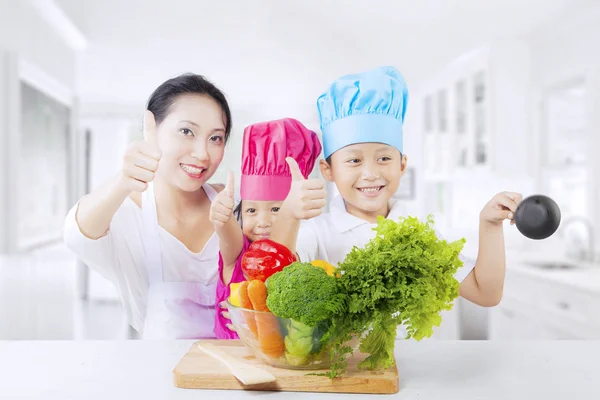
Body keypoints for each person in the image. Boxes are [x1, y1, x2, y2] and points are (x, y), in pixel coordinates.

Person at [270, 66, 523, 307]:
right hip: (334, 355)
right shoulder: (316, 233)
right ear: (328, 170)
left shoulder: (419, 234)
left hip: (405, 355)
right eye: (354, 161)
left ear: (402, 165)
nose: (370, 174)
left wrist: (489, 224)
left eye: (384, 159)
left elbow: (485, 293)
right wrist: (288, 214)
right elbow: (272, 286)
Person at [64, 73, 233, 339]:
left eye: (216, 138)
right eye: (186, 131)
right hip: (159, 372)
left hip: (235, 373)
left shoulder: (233, 206)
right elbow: (76, 234)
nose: (202, 153)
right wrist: (123, 180)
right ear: (151, 129)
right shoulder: (127, 212)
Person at [209, 118, 321, 338]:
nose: (263, 221)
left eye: (276, 210)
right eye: (251, 211)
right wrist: (221, 218)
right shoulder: (236, 256)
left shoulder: (296, 259)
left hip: (275, 361)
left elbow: (280, 253)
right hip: (226, 356)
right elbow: (228, 236)